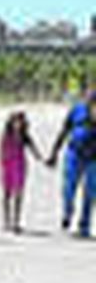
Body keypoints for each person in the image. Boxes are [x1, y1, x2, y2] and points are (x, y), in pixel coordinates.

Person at [44, 84, 96, 237]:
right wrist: (54, 153)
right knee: (68, 189)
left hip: (93, 159)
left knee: (90, 193)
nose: (91, 102)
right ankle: (68, 211)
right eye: (90, 98)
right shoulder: (76, 110)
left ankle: (84, 225)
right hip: (74, 154)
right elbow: (64, 131)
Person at [0, 109, 41, 234]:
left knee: (18, 194)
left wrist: (42, 158)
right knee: (6, 194)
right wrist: (2, 163)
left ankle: (16, 222)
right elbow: (1, 150)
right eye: (16, 121)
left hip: (20, 165)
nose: (18, 124)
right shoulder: (6, 134)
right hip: (7, 165)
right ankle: (6, 221)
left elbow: (34, 150)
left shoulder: (25, 136)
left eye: (20, 121)